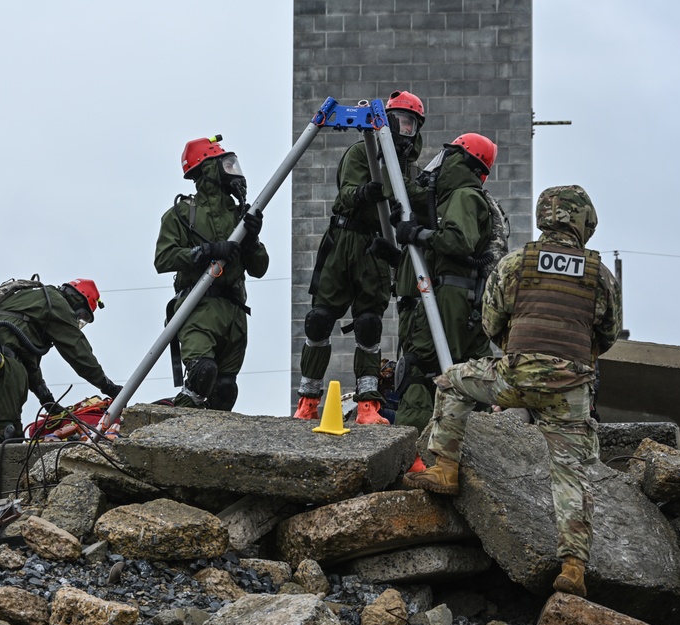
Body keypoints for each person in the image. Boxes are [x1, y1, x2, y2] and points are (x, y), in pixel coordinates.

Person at [404, 185, 622, 598]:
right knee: (569, 473)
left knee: (452, 380)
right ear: (584, 222)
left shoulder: (515, 263)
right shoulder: (600, 275)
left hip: (515, 375)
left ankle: (445, 469)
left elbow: (491, 320)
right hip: (572, 388)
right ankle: (573, 567)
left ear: (543, 217)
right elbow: (607, 334)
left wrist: (517, 352)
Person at [293, 91, 426, 424]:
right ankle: (308, 400)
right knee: (319, 319)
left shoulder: (408, 167)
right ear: (391, 121)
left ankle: (368, 405)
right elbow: (347, 192)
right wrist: (367, 191)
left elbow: (413, 200)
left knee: (369, 323)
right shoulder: (361, 153)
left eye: (413, 125)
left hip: (374, 246)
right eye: (403, 123)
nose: (407, 131)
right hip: (343, 241)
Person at [392, 133, 499, 432]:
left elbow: (457, 241)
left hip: (450, 298)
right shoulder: (454, 197)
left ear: (462, 160)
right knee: (462, 374)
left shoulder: (464, 195)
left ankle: (412, 447)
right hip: (459, 298)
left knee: (420, 367)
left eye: (449, 156)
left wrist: (417, 234)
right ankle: (475, 441)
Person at [155, 135, 268, 410]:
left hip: (234, 312)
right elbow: (163, 258)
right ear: (207, 168)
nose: (234, 172)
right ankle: (173, 432)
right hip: (199, 306)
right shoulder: (182, 214)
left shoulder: (240, 215)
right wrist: (206, 251)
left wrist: (252, 239)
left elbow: (260, 268)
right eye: (226, 165)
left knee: (225, 390)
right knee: (201, 373)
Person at [0, 277, 122, 443]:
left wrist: (46, 399)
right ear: (76, 299)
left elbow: (28, 361)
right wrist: (108, 387)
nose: (77, 319)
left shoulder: (35, 300)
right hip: (2, 368)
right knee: (1, 435)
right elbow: (77, 350)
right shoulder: (56, 302)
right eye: (81, 315)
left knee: (10, 435)